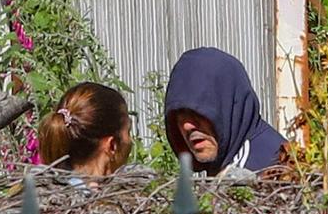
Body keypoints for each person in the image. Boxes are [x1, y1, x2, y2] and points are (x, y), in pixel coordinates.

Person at [163, 47, 289, 177]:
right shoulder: (229, 160)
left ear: (229, 107)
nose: (187, 126)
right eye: (180, 115)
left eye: (197, 112)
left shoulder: (258, 173)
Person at [37, 82, 132, 180]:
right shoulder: (98, 194)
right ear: (112, 146)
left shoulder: (39, 187)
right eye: (128, 131)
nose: (130, 141)